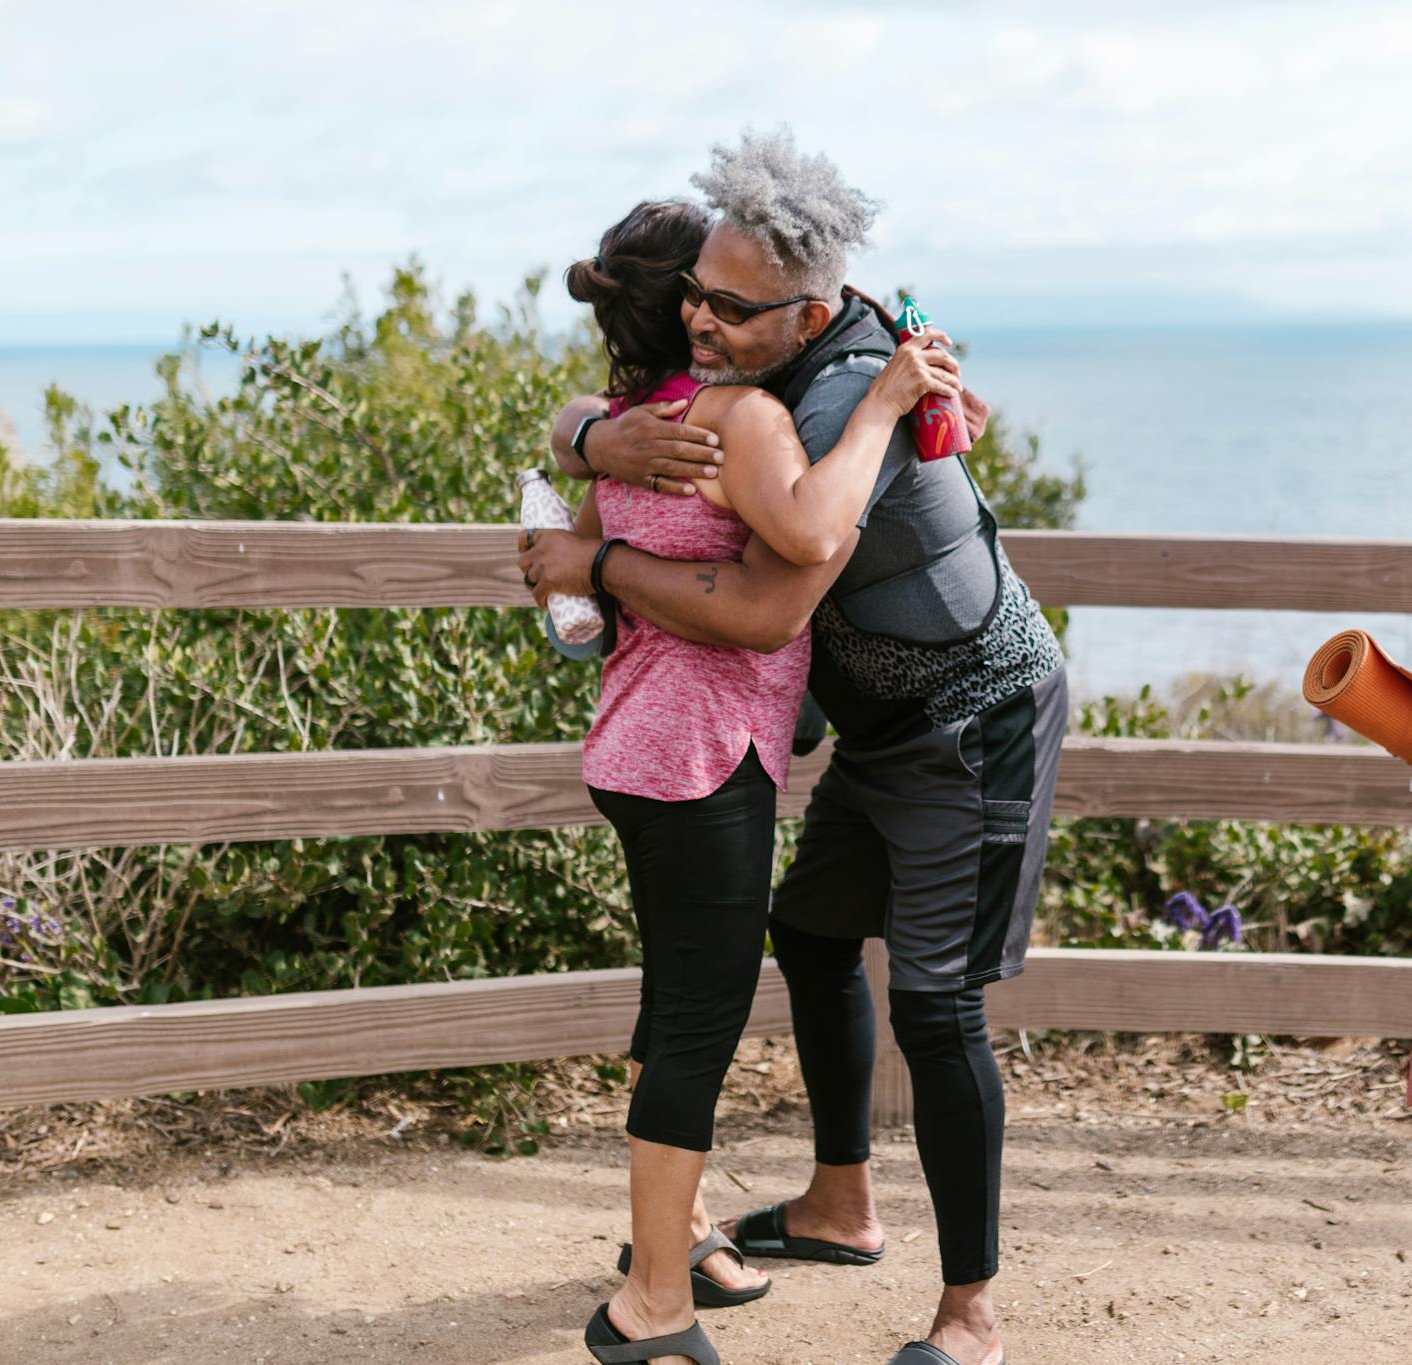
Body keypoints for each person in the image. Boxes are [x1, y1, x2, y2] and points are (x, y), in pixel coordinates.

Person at [523, 128, 1067, 1365]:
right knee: (813, 935)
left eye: (725, 306)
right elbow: (622, 409)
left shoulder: (835, 396)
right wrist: (591, 435)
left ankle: (968, 1315)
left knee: (938, 1007)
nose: (700, 320)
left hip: (972, 716)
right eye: (693, 298)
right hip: (872, 727)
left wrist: (595, 548)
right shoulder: (775, 363)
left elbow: (770, 600)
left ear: (804, 310)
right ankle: (840, 1205)